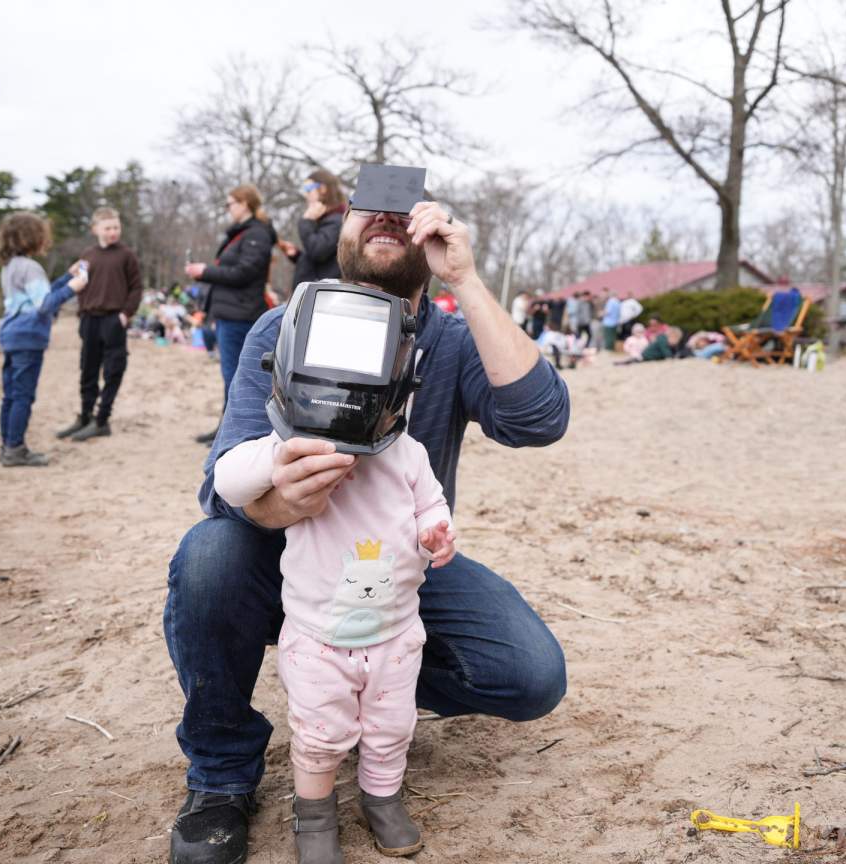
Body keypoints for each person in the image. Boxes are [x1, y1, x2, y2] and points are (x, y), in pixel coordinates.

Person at [164, 196, 571, 864]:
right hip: (282, 559)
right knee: (208, 554)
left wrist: (465, 281)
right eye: (365, 207)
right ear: (339, 236)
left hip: (394, 571)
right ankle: (221, 776)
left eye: (402, 210)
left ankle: (365, 688)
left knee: (530, 675)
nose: (383, 218)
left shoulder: (452, 340)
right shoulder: (281, 326)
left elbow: (541, 419)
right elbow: (219, 484)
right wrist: (280, 504)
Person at [213, 363, 455, 862]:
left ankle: (382, 797)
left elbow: (432, 503)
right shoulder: (299, 446)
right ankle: (315, 813)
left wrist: (435, 532)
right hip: (318, 637)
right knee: (320, 733)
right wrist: (282, 455)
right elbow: (228, 481)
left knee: (392, 726)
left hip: (395, 632)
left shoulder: (409, 454)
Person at [185, 184, 277, 444]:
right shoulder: (245, 233)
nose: (228, 209)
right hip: (231, 313)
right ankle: (226, 428)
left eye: (230, 204)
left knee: (237, 377)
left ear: (244, 203)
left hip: (241, 315)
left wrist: (205, 271)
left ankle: (233, 432)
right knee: (232, 376)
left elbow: (243, 272)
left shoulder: (256, 234)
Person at [0, 212, 88, 467]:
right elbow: (45, 304)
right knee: (23, 395)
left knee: (10, 395)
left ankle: (7, 445)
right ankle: (15, 449)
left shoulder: (11, 265)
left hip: (10, 333)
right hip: (28, 336)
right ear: (33, 237)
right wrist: (74, 288)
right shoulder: (31, 267)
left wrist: (67, 278)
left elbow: (39, 295)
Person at [55, 206, 143, 443]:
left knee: (113, 369)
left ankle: (102, 419)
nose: (113, 232)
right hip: (90, 319)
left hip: (114, 319)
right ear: (95, 229)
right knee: (88, 369)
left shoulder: (126, 255)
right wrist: (82, 311)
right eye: (107, 228)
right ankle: (85, 416)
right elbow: (80, 283)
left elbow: (136, 288)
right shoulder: (88, 255)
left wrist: (125, 314)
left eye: (116, 227)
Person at [277, 170, 346, 292]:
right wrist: (298, 256)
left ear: (323, 189)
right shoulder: (327, 219)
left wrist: (306, 221)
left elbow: (318, 251)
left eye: (309, 189)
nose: (306, 195)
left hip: (322, 296)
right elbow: (320, 260)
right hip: (316, 292)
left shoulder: (337, 220)